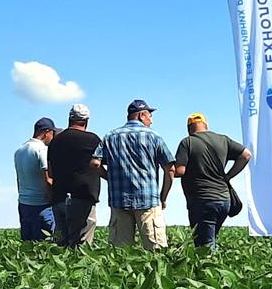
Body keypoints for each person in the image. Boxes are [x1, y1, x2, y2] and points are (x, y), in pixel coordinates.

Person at [99, 100, 173, 250]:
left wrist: (110, 178)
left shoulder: (110, 136)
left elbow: (95, 163)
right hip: (148, 200)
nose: (151, 120)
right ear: (141, 115)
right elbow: (170, 169)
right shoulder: (153, 136)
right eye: (150, 116)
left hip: (119, 201)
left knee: (120, 255)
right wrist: (163, 197)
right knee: (156, 252)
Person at [170, 112, 250, 248]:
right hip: (224, 200)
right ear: (206, 125)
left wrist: (169, 166)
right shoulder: (223, 140)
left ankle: (209, 267)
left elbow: (180, 171)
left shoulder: (187, 142)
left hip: (202, 201)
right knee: (209, 238)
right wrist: (228, 176)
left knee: (204, 247)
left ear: (189, 128)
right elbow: (246, 155)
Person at [46, 103, 103, 249]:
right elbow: (98, 165)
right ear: (86, 121)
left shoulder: (55, 141)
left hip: (59, 198)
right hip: (82, 199)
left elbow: (50, 171)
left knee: (61, 247)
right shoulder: (92, 140)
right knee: (81, 249)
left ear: (69, 119)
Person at [13, 118, 57, 242]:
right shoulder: (41, 150)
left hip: (23, 203)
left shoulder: (19, 151)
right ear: (47, 132)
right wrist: (53, 199)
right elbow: (48, 179)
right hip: (41, 205)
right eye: (52, 134)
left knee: (28, 245)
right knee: (46, 246)